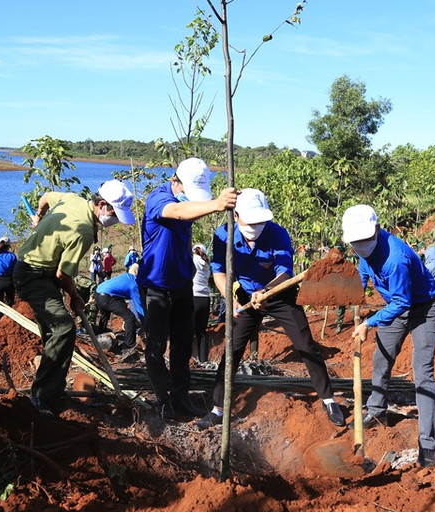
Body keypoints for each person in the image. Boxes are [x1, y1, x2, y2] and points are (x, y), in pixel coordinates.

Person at [195, 189, 345, 429]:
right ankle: (218, 409)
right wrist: (231, 299)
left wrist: (267, 292)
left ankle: (328, 400)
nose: (255, 226)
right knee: (232, 350)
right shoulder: (223, 235)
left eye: (260, 221)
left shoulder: (277, 234)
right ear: (236, 216)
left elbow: (285, 271)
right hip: (243, 295)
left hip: (278, 293)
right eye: (250, 221)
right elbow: (219, 271)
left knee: (305, 344)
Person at [15, 180, 135, 415]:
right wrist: (75, 297)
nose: (115, 220)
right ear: (101, 205)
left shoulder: (74, 199)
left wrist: (39, 216)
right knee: (64, 329)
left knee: (54, 331)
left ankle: (53, 389)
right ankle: (40, 397)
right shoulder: (83, 231)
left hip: (41, 272)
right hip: (34, 276)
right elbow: (63, 274)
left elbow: (46, 196)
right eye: (113, 213)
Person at [342, 204, 435, 468]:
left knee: (423, 373)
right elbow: (364, 266)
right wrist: (358, 290)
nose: (361, 245)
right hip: (396, 305)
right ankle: (376, 411)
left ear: (376, 229)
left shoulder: (394, 258)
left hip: (423, 307)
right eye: (355, 242)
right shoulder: (363, 247)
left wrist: (368, 323)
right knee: (381, 360)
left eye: (364, 240)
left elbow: (401, 302)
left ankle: (429, 445)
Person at [137, 157, 237, 419]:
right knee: (156, 348)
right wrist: (216, 205)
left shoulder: (187, 202)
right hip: (156, 288)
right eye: (187, 192)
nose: (190, 199)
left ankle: (181, 398)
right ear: (174, 181)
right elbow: (176, 212)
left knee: (182, 346)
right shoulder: (157, 198)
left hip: (182, 285)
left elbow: (185, 217)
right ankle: (162, 398)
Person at [94, 263, 143, 350]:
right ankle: (129, 345)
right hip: (106, 297)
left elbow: (120, 294)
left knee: (105, 315)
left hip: (98, 292)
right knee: (130, 317)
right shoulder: (134, 285)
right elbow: (139, 307)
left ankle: (101, 335)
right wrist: (145, 323)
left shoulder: (127, 276)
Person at [191, 243, 211, 364]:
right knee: (201, 331)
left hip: (193, 296)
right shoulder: (206, 265)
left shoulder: (191, 260)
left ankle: (185, 360)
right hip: (205, 298)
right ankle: (204, 360)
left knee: (188, 330)